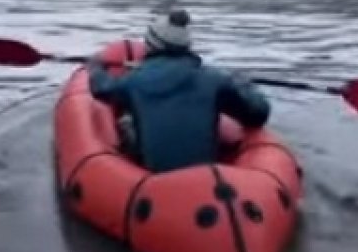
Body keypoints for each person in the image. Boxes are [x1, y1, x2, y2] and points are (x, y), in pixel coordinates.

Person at [87, 9, 271, 173]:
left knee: (126, 119)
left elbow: (100, 88)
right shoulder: (214, 79)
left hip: (157, 180)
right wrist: (242, 82)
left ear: (151, 46)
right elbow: (258, 112)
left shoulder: (134, 82)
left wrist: (95, 67)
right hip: (206, 178)